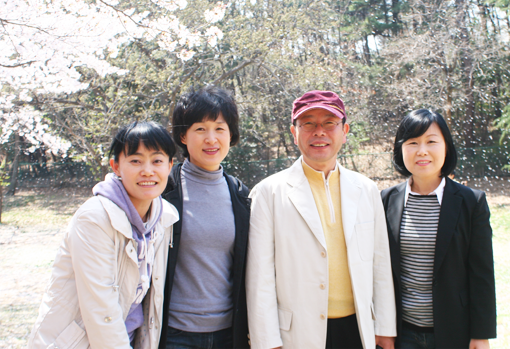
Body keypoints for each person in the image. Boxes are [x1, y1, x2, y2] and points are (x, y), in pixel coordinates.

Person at [246, 90, 397, 349]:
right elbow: (260, 278)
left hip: (358, 328)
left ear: (345, 131)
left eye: (329, 123)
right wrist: (267, 342)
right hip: (297, 333)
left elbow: (380, 265)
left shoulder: (366, 189)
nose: (319, 131)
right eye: (308, 124)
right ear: (294, 133)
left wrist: (385, 329)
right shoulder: (268, 193)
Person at [27, 121, 179, 349]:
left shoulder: (164, 217)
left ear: (170, 165)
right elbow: (101, 309)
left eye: (157, 161)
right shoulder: (94, 218)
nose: (147, 170)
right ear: (115, 166)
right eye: (135, 161)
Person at [381, 109, 497, 349]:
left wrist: (481, 334)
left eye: (431, 141)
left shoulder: (471, 202)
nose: (422, 150)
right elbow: (379, 272)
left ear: (446, 147)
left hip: (455, 331)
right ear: (400, 149)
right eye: (412, 142)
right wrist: (383, 329)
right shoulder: (385, 200)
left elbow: (481, 273)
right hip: (402, 333)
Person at [159, 86, 251, 349]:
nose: (211, 138)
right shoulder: (164, 189)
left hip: (228, 334)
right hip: (175, 333)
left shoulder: (240, 194)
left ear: (230, 134)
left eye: (220, 128)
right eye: (200, 129)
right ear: (183, 136)